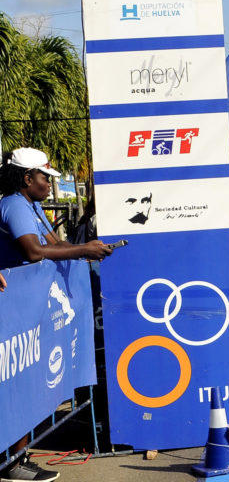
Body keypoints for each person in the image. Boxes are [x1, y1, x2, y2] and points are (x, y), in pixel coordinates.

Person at [1, 148, 112, 482]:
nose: (49, 183)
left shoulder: (33, 205)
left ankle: (17, 456)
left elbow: (54, 243)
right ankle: (12, 461)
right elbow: (35, 252)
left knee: (30, 379)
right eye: (44, 177)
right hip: (15, 312)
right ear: (26, 178)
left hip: (31, 312)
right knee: (18, 383)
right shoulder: (15, 206)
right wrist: (84, 250)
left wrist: (87, 248)